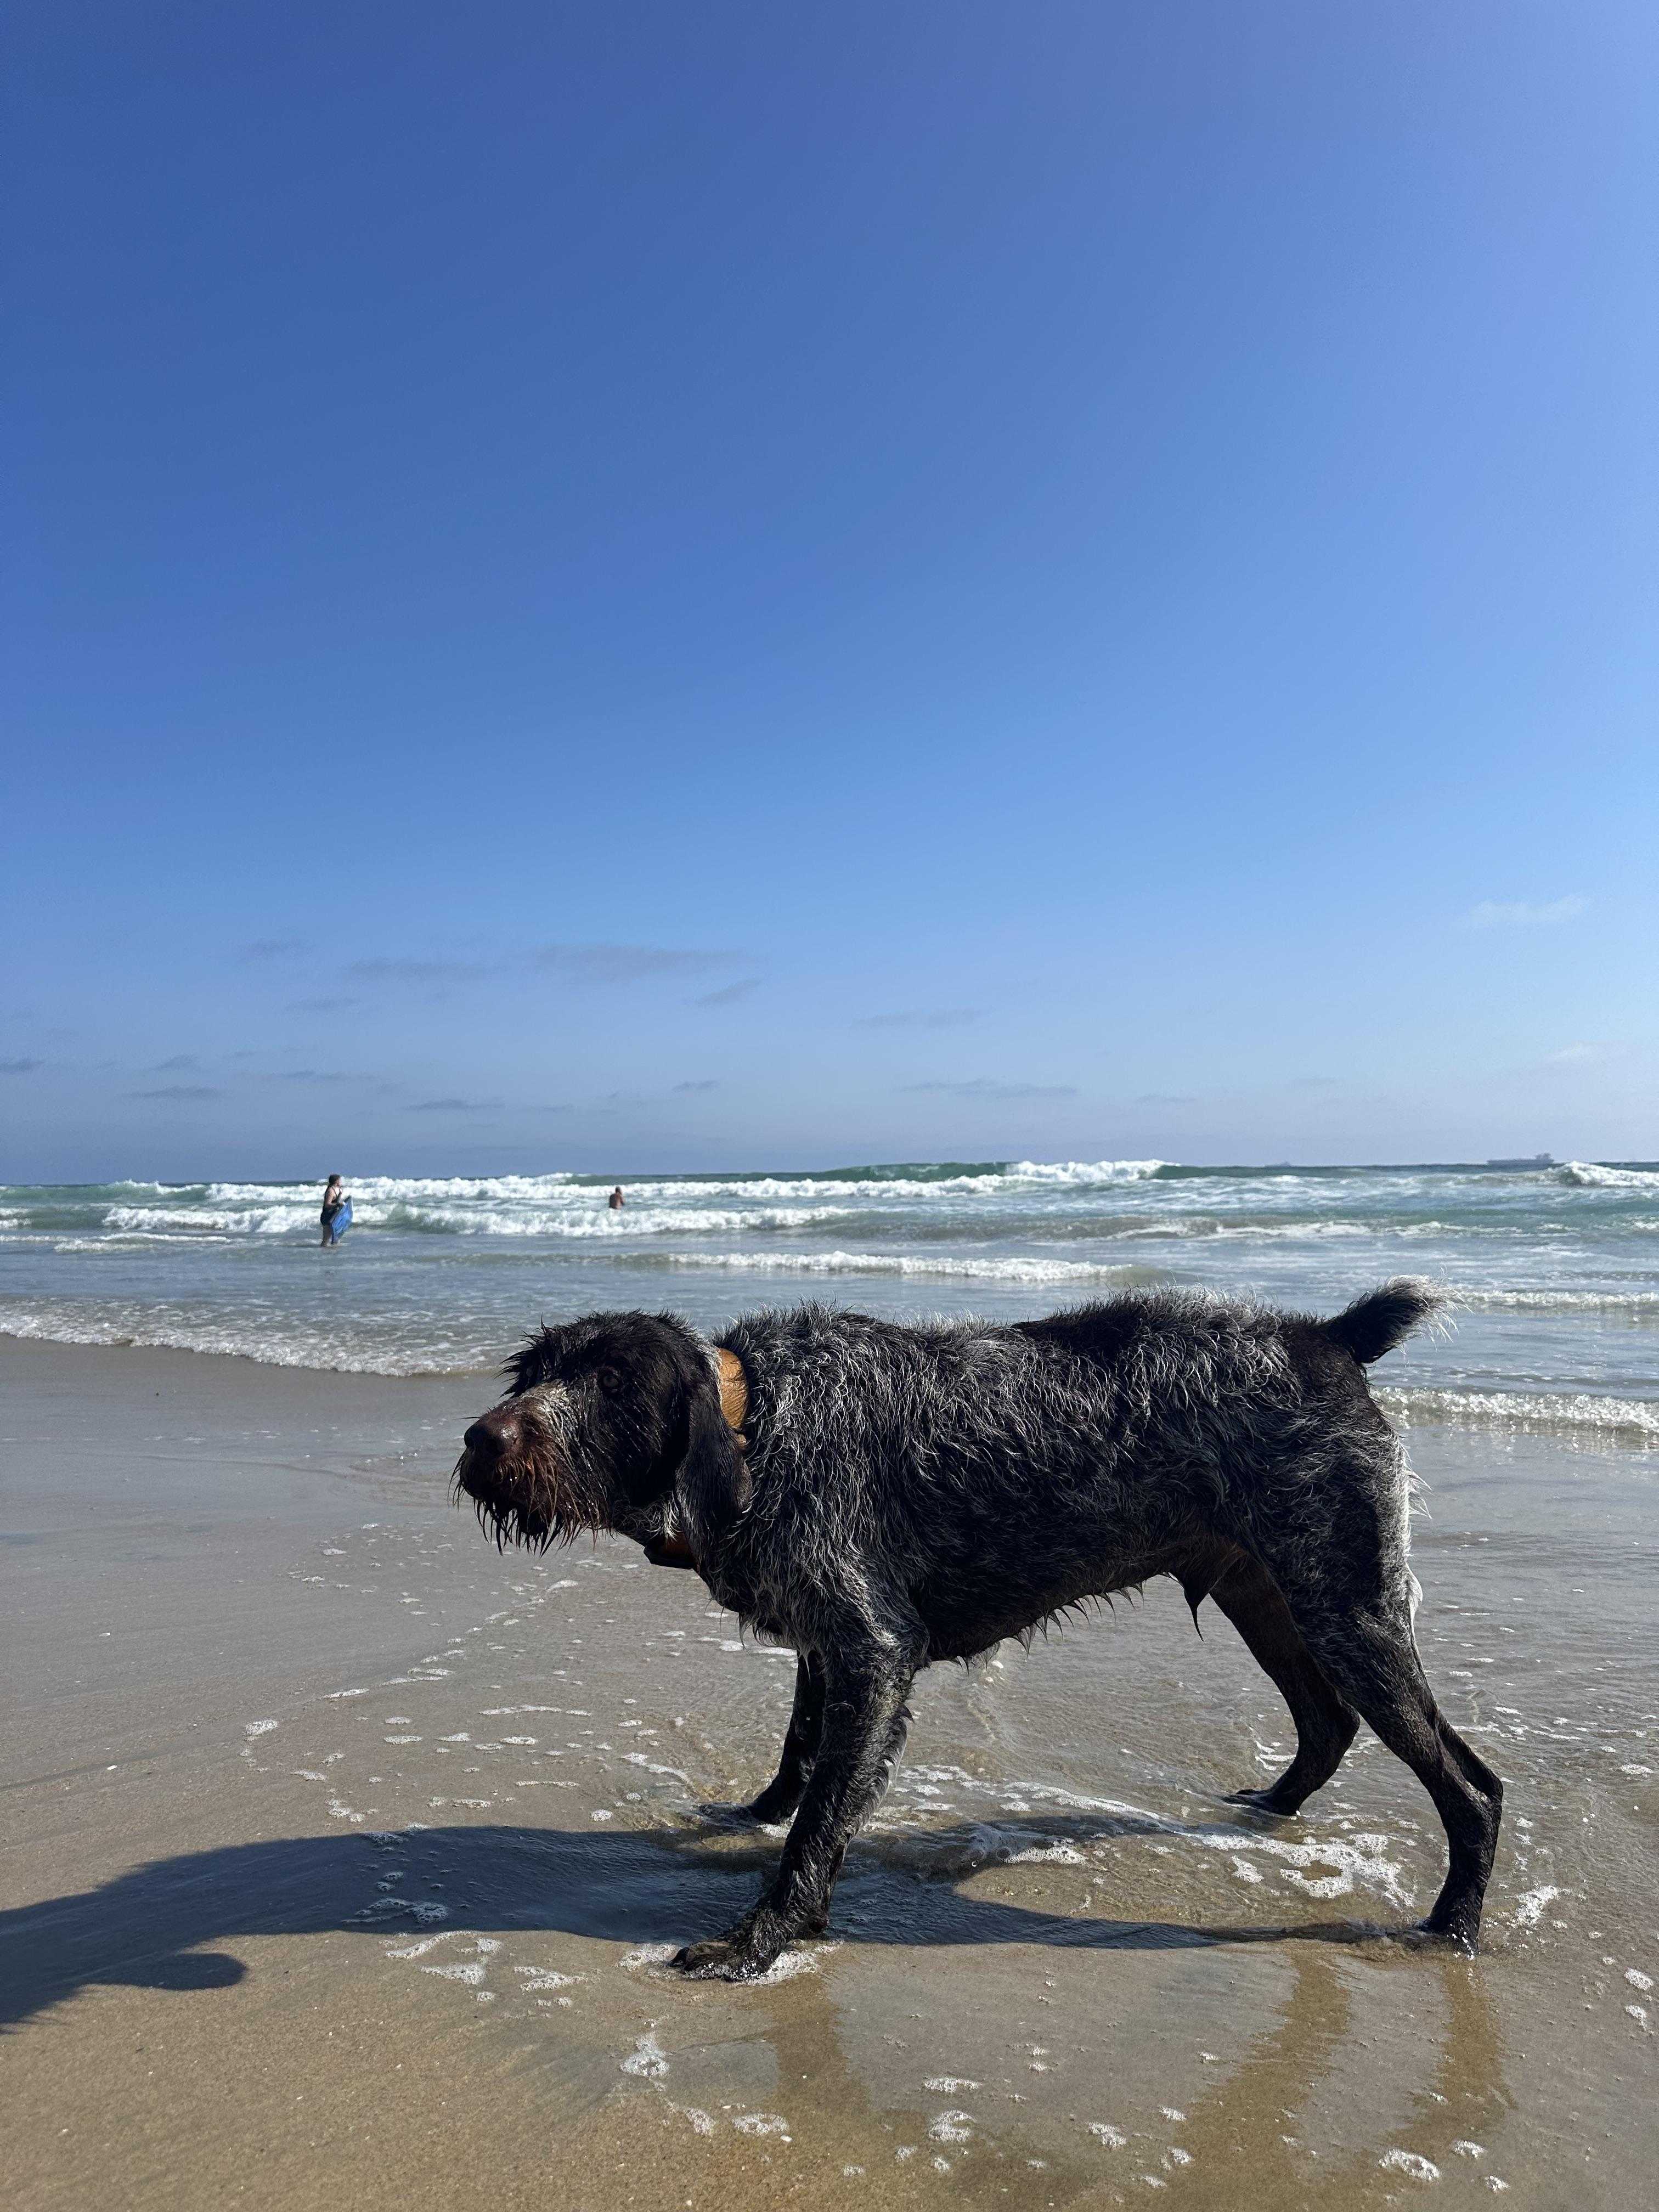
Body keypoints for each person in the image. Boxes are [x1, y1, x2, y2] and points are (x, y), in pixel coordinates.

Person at [320, 1173, 348, 1246]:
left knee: (337, 1239)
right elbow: (327, 1204)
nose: (341, 1182)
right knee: (326, 1240)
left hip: (333, 1216)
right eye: (340, 1180)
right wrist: (338, 1204)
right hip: (327, 1217)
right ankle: (323, 1255)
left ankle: (334, 1255)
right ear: (337, 1181)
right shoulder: (330, 1191)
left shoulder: (335, 1190)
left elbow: (335, 1201)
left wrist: (340, 1193)